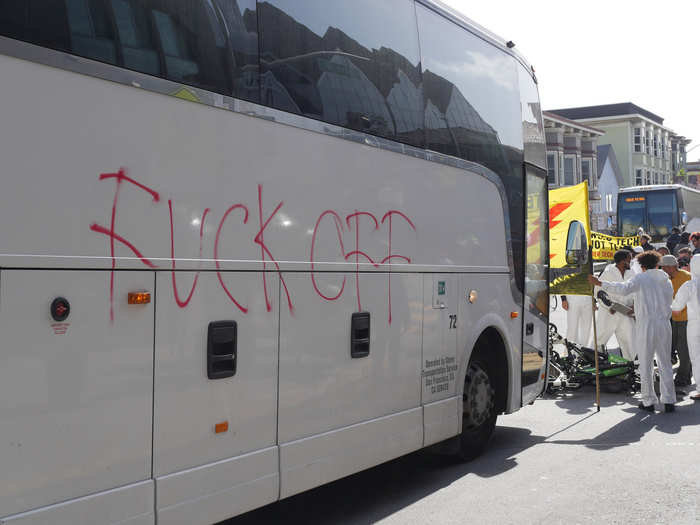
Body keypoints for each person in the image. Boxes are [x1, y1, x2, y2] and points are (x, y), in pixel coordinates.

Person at [588, 251, 676, 412]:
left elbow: (622, 289)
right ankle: (669, 400)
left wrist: (599, 283)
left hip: (646, 324)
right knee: (665, 362)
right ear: (657, 264)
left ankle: (648, 401)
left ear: (642, 267)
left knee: (645, 364)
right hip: (664, 324)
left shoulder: (641, 278)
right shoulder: (666, 280)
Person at [593, 250, 635, 360]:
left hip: (626, 312)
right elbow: (598, 292)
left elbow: (635, 292)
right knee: (599, 341)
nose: (630, 261)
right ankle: (594, 365)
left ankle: (630, 368)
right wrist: (609, 306)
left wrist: (634, 305)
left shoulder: (632, 273)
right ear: (622, 261)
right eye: (628, 259)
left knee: (629, 342)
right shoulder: (608, 272)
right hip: (609, 313)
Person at [660, 255, 692, 388]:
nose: (662, 269)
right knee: (676, 347)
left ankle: (683, 377)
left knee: (684, 349)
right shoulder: (666, 279)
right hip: (673, 318)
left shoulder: (686, 277)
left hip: (687, 318)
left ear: (671, 266)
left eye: (664, 267)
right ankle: (684, 375)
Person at [670, 254, 700, 400]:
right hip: (691, 322)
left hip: (694, 324)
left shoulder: (690, 284)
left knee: (696, 357)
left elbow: (676, 307)